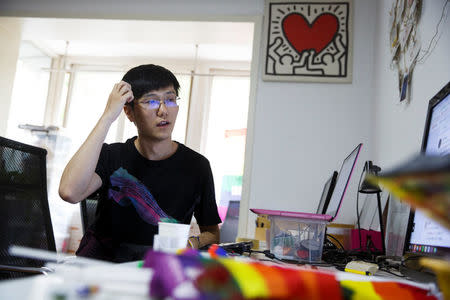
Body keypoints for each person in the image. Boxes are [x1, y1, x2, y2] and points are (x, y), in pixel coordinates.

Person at [59, 64, 221, 262]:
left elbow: (212, 233)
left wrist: (191, 243)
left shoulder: (197, 166)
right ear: (129, 113)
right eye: (151, 102)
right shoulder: (112, 155)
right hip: (101, 271)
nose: (163, 111)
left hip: (157, 272)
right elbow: (70, 192)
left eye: (170, 100)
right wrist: (108, 116)